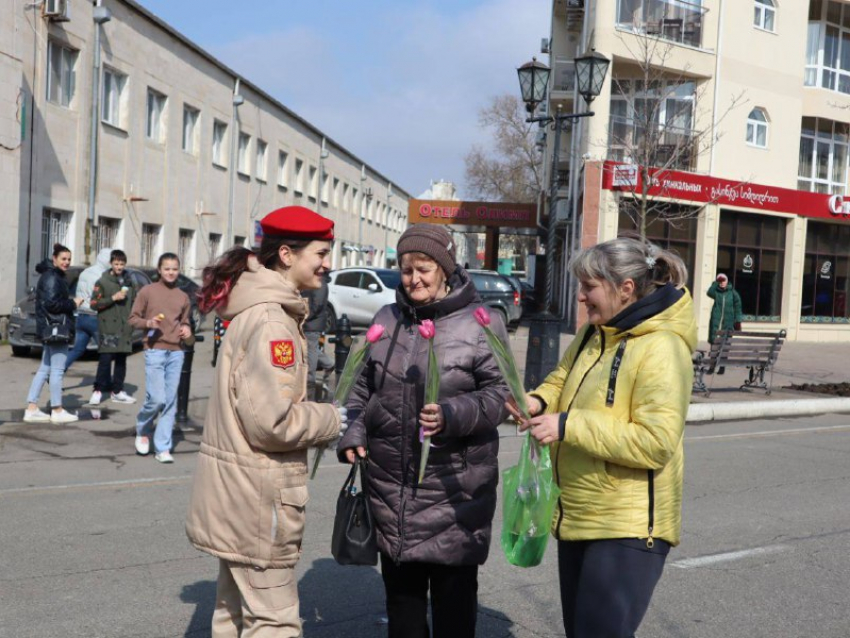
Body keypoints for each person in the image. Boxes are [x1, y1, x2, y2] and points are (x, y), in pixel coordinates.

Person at [506, 237, 696, 638]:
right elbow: (562, 379)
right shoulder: (597, 334)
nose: (580, 297)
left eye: (589, 287)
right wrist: (538, 401)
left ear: (624, 289)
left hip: (626, 529)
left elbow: (655, 442)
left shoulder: (662, 347)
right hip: (579, 515)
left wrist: (567, 425)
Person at [339, 223, 511, 638]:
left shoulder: (481, 323)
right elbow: (359, 388)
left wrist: (453, 414)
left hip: (455, 492)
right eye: (405, 269)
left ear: (446, 270)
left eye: (424, 268)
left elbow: (502, 395)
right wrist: (353, 431)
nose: (413, 279)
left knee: (454, 612)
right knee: (404, 614)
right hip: (391, 489)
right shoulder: (386, 319)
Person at [185, 206, 344, 637]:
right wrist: (332, 418)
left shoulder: (256, 309)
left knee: (232, 615)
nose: (328, 263)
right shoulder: (273, 321)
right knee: (274, 623)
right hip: (258, 500)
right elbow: (272, 424)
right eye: (322, 252)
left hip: (239, 495)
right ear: (288, 255)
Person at [129, 253, 192, 463]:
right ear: (159, 270)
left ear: (179, 270)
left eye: (175, 268)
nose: (171, 272)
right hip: (154, 349)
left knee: (170, 401)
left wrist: (186, 329)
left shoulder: (183, 297)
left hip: (176, 351)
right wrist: (148, 323)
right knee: (157, 398)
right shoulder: (147, 291)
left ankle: (162, 447)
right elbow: (133, 319)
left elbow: (185, 322)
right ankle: (143, 428)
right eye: (167, 268)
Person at [23, 243, 83, 424]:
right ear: (54, 258)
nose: (66, 262)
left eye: (69, 259)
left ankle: (32, 408)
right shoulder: (51, 277)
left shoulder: (53, 275)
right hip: (56, 328)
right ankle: (57, 410)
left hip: (51, 328)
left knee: (45, 369)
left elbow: (51, 302)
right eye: (63, 259)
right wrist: (73, 303)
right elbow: (51, 304)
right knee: (56, 370)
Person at [89, 249, 137, 405]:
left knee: (121, 360)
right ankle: (97, 390)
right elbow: (94, 304)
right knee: (106, 359)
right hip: (108, 327)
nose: (119, 267)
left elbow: (135, 302)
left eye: (122, 264)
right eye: (116, 264)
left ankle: (117, 390)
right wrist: (113, 298)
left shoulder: (129, 282)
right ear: (111, 264)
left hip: (124, 327)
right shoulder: (102, 282)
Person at [64, 247, 112, 371]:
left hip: (81, 316)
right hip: (95, 317)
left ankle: (57, 372)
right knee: (106, 351)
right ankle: (103, 382)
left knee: (77, 350)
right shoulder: (102, 276)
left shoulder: (85, 272)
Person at [301, 272, 334, 399]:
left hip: (313, 323)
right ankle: (328, 364)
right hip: (312, 322)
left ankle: (310, 378)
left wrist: (307, 317)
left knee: (311, 349)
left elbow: (317, 304)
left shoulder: (320, 283)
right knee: (311, 347)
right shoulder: (318, 282)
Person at [707, 273, 743, 343]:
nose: (722, 283)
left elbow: (738, 307)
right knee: (714, 340)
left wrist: (738, 321)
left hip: (728, 322)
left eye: (724, 281)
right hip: (716, 321)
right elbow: (709, 293)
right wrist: (715, 283)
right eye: (720, 281)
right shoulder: (716, 293)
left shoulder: (732, 293)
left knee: (726, 342)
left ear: (727, 281)